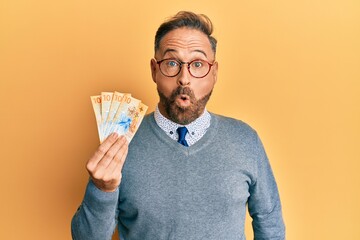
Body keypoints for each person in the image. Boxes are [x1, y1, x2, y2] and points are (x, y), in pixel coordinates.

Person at [71, 11, 285, 240]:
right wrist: (102, 190)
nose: (184, 78)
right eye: (172, 63)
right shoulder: (121, 141)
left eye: (198, 64)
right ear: (154, 70)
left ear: (214, 73)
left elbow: (270, 224)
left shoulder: (245, 139)